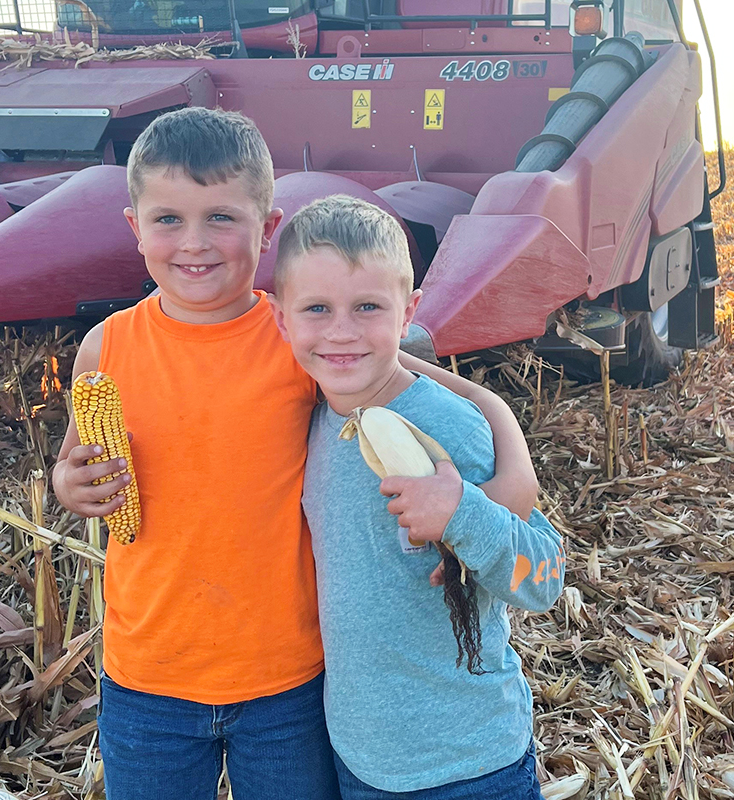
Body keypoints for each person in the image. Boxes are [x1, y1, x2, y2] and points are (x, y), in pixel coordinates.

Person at [50, 107, 539, 800]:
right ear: (135, 228)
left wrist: (510, 476)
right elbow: (76, 464)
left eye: (221, 218)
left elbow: (453, 392)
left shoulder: (298, 336)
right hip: (147, 673)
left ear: (267, 229)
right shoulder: (106, 347)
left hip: (286, 679)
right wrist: (68, 485)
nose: (194, 243)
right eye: (168, 220)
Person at [269, 194, 565, 800]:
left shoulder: (447, 428)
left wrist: (463, 513)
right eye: (317, 309)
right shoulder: (312, 420)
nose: (342, 332)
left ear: (409, 312)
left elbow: (546, 576)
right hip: (359, 758)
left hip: (468, 763)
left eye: (368, 307)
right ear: (281, 318)